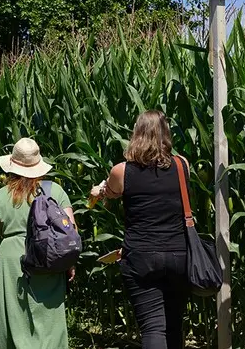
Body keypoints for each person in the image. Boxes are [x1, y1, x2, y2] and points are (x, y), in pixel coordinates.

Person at [90, 109, 190, 349]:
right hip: (178, 255)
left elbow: (111, 192)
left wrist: (99, 190)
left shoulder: (122, 171)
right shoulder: (182, 165)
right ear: (166, 134)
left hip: (141, 257)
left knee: (153, 327)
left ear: (137, 134)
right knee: (174, 325)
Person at [0, 137, 76, 349]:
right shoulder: (56, 192)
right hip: (48, 258)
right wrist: (69, 264)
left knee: (13, 320)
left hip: (12, 264)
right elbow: (70, 231)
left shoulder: (0, 197)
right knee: (50, 321)